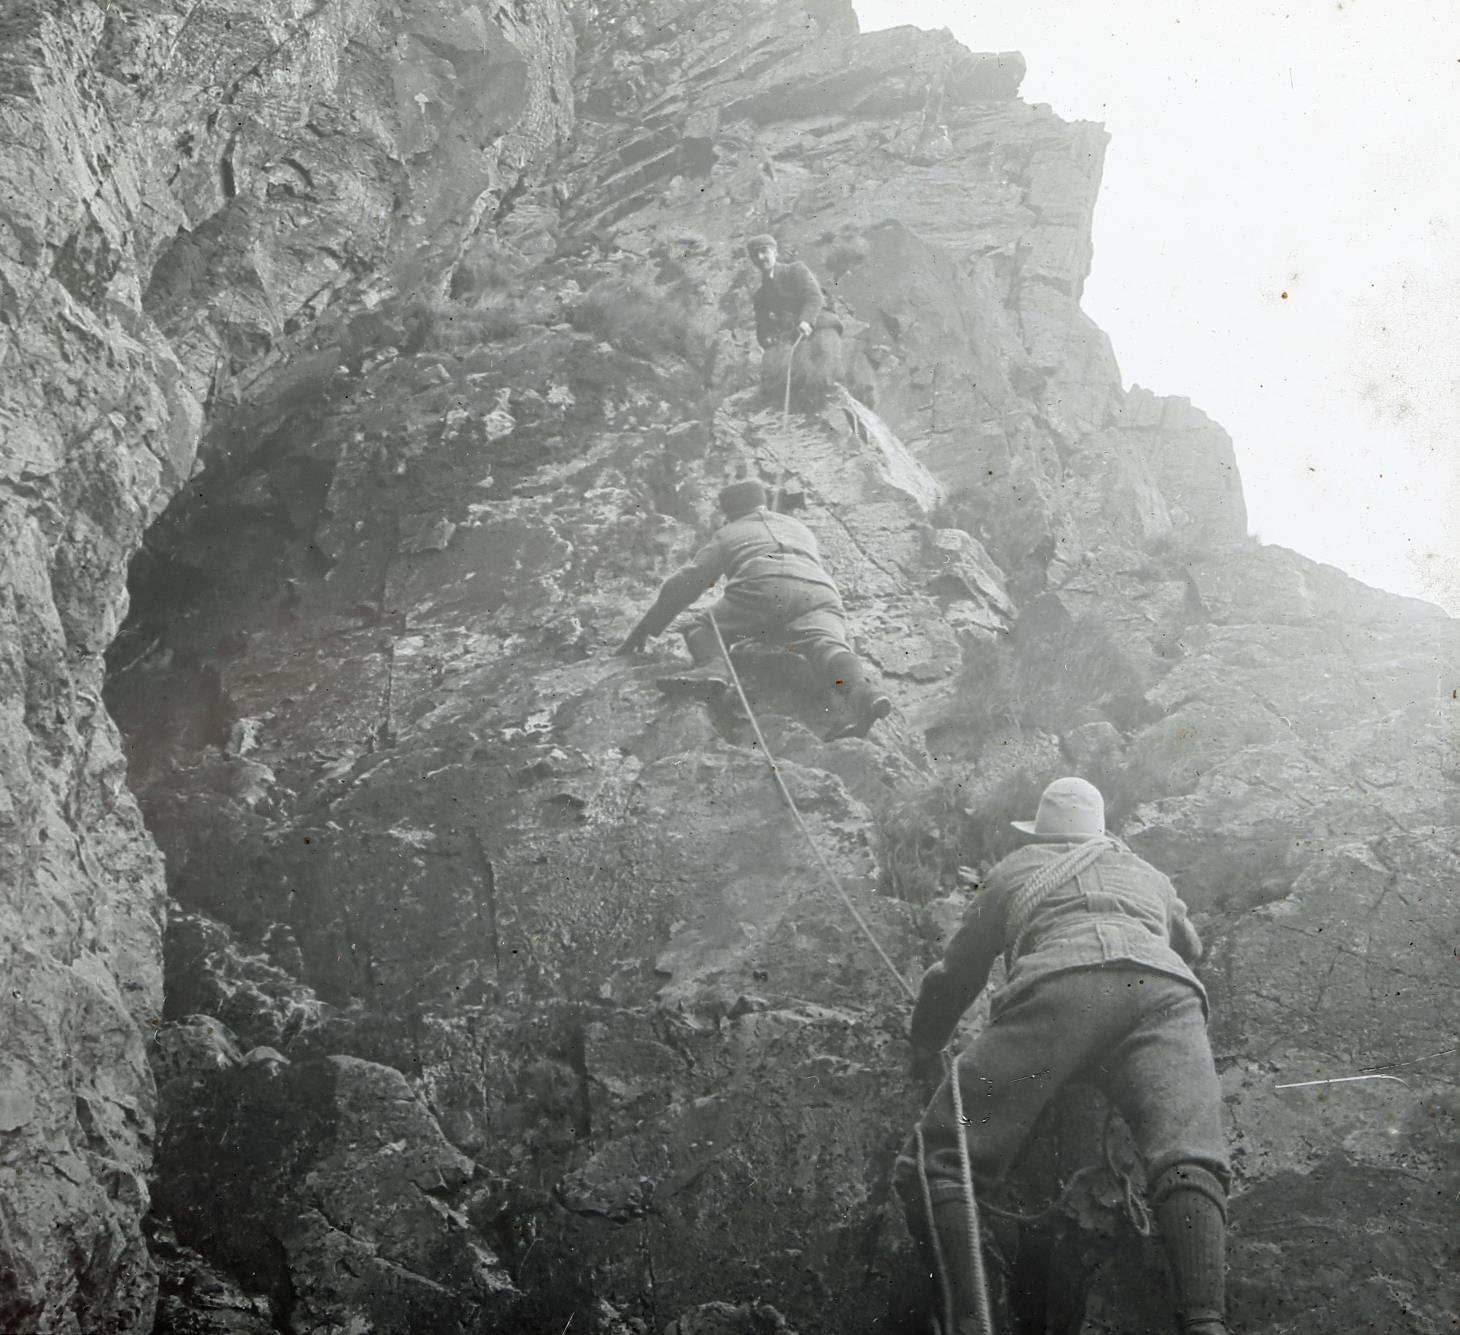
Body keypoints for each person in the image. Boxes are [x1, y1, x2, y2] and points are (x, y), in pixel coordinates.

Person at [893, 777, 1230, 1335]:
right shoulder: (1146, 873)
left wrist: (925, 1040)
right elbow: (1188, 949)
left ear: (1041, 831)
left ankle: (969, 1322)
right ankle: (1205, 1322)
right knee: (1188, 1155)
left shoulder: (1016, 869)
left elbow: (957, 975)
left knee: (940, 1158)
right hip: (1165, 996)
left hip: (1060, 990)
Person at [616, 480, 892, 741]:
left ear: (730, 512)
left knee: (701, 625)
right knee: (826, 645)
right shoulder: (798, 527)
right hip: (820, 591)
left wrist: (647, 627)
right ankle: (862, 691)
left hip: (763, 583)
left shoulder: (728, 533)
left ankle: (713, 668)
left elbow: (688, 582)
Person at [746, 234, 831, 349]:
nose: (760, 257)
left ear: (775, 252)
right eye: (754, 255)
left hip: (816, 323)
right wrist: (768, 340)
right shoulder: (760, 296)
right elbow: (762, 329)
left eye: (764, 251)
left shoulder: (796, 270)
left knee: (826, 352)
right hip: (790, 337)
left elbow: (814, 297)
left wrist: (806, 321)